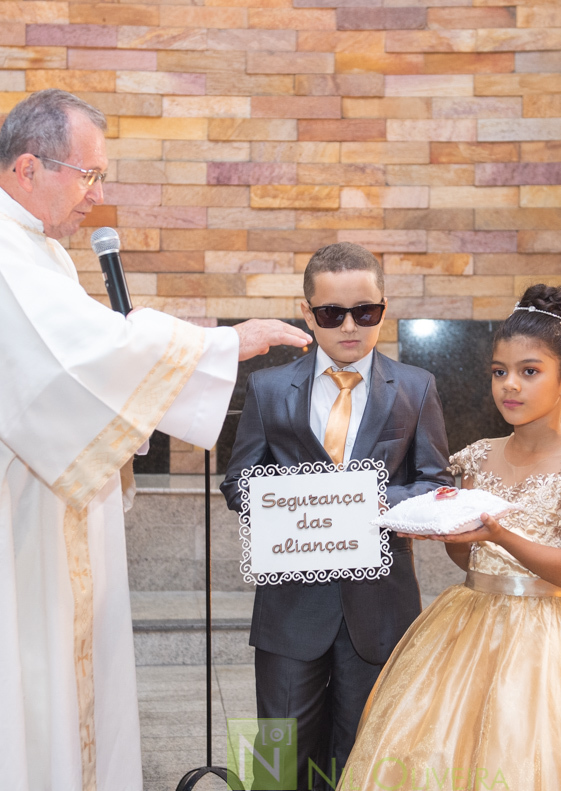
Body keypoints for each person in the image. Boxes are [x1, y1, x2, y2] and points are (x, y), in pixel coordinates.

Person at [0, 90, 310, 791]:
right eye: (89, 175)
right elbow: (72, 361)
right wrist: (222, 344)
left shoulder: (29, 246)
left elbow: (77, 363)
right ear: (30, 166)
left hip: (29, 521)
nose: (98, 195)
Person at [338, 284, 561, 791]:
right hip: (469, 622)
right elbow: (471, 560)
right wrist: (448, 531)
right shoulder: (477, 456)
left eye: (530, 372)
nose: (510, 385)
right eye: (499, 371)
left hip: (551, 636)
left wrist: (501, 534)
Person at [220, 242, 453, 790]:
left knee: (365, 750)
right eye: (332, 313)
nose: (350, 326)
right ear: (307, 313)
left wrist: (377, 502)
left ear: (383, 309)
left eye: (364, 312)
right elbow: (236, 483)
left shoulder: (415, 386)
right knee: (278, 755)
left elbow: (435, 483)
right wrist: (295, 503)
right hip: (290, 605)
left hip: (380, 608)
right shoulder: (268, 388)